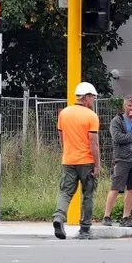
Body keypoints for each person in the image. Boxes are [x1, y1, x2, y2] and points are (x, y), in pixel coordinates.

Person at [53, 82, 101, 240]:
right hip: (86, 161)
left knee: (65, 192)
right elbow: (93, 143)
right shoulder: (91, 116)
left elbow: (62, 138)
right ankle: (85, 229)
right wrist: (97, 164)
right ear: (86, 97)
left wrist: (66, 153)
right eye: (92, 98)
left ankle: (59, 217)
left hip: (68, 160)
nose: (93, 101)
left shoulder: (64, 113)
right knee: (88, 194)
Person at [102, 95, 132, 227]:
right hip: (122, 159)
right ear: (124, 106)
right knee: (116, 187)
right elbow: (118, 138)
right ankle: (107, 216)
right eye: (129, 105)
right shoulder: (116, 121)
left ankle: (126, 217)